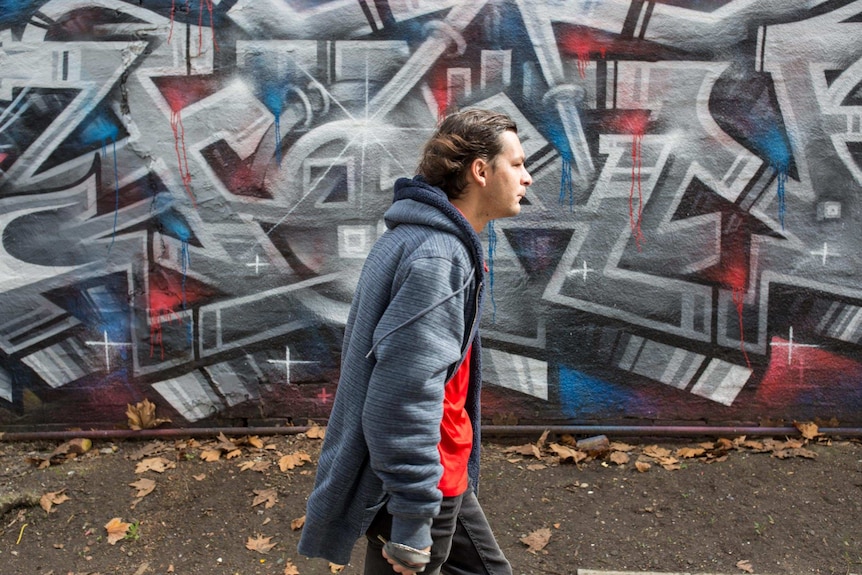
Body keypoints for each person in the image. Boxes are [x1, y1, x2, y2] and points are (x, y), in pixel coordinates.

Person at [298, 108, 532, 575]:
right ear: (480, 171)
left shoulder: (416, 238)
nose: (528, 178)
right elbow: (404, 393)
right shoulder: (437, 257)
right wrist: (412, 516)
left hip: (431, 469)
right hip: (427, 475)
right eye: (518, 164)